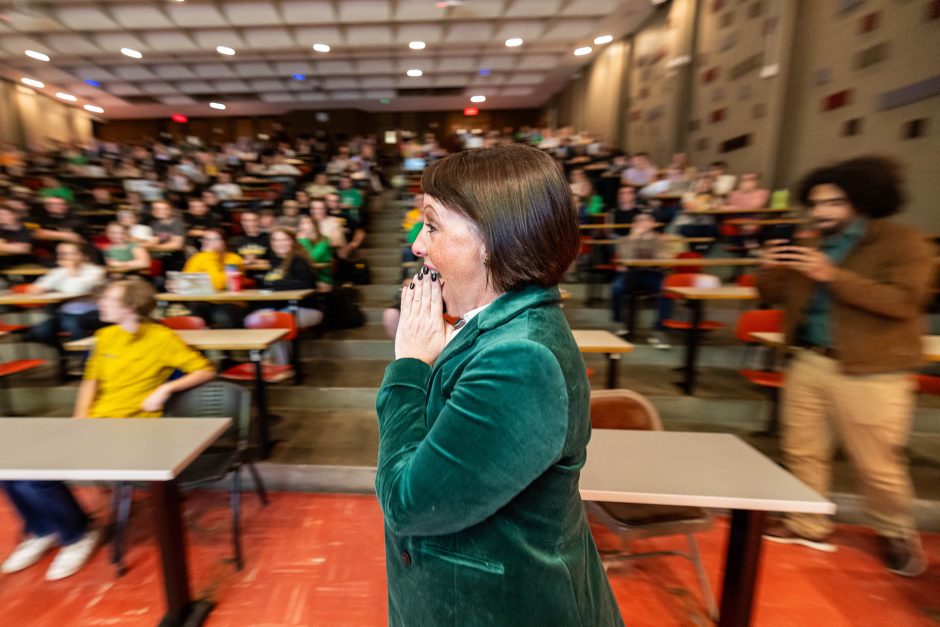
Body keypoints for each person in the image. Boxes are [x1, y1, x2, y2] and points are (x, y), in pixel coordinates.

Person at [376, 144, 623, 625]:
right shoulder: (498, 326)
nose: (418, 246)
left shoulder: (520, 359)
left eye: (432, 225)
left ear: (492, 238)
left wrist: (409, 367)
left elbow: (408, 505)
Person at [758, 156, 934, 577]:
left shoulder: (902, 243)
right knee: (803, 450)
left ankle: (895, 532)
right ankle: (808, 523)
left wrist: (831, 276)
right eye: (816, 203)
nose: (822, 212)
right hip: (810, 360)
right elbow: (778, 295)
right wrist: (768, 270)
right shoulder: (814, 241)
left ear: (863, 200)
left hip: (872, 370)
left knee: (878, 464)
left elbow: (904, 302)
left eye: (834, 203)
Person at [0, 280, 215, 582]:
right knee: (9, 469)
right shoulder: (103, 336)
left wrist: (167, 388)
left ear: (131, 307)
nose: (100, 304)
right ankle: (42, 530)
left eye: (109, 300)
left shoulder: (162, 338)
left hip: (134, 430)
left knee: (38, 475)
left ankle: (78, 534)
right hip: (96, 423)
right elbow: (91, 381)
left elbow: (205, 369)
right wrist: (80, 420)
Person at [245, 229, 324, 365]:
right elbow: (267, 284)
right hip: (281, 307)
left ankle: (283, 365)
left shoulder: (298, 260)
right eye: (275, 240)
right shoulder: (275, 261)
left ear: (292, 242)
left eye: (283, 239)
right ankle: (266, 357)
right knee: (252, 319)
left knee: (278, 320)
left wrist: (272, 283)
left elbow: (308, 284)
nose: (279, 243)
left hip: (307, 309)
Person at [610, 212, 672, 347]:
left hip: (653, 273)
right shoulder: (625, 240)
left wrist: (645, 259)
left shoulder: (660, 240)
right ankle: (619, 322)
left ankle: (660, 331)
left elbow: (663, 260)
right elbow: (626, 259)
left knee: (668, 290)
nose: (641, 223)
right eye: (638, 221)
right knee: (616, 288)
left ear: (653, 224)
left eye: (645, 220)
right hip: (631, 274)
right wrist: (634, 240)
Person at [26, 242, 106, 349]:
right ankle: (64, 354)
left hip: (93, 312)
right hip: (65, 313)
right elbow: (34, 289)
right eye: (62, 254)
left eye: (71, 254)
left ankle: (87, 357)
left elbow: (77, 290)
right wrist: (57, 277)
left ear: (83, 256)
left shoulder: (95, 271)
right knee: (39, 331)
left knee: (70, 323)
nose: (66, 257)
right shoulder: (58, 272)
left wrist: (72, 270)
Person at [181, 228, 244, 327]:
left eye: (212, 240)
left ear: (223, 242)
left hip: (228, 302)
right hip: (203, 301)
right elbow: (185, 282)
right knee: (194, 316)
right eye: (205, 239)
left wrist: (210, 255)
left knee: (221, 316)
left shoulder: (234, 259)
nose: (207, 243)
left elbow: (218, 284)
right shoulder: (197, 258)